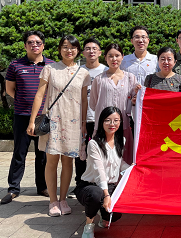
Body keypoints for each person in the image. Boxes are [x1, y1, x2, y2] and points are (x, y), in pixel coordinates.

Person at [27, 35, 91, 217]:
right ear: (59, 49)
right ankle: (52, 201)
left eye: (72, 47)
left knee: (68, 161)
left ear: (78, 50)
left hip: (73, 122)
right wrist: (32, 121)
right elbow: (39, 95)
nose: (69, 50)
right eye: (65, 46)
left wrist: (83, 124)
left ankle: (63, 200)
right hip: (53, 121)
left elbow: (84, 101)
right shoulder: (49, 69)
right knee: (51, 161)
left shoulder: (83, 73)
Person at [1, 31, 54, 205]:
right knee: (19, 153)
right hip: (22, 116)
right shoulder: (15, 65)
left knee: (43, 154)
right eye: (30, 42)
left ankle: (43, 187)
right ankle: (13, 188)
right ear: (25, 46)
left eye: (38, 42)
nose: (34, 45)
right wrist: (24, 102)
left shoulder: (51, 66)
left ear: (43, 45)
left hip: (44, 117)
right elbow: (10, 90)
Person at [76, 106, 131, 238]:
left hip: (111, 186)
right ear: (101, 122)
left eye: (116, 120)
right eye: (108, 120)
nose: (112, 124)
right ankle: (89, 225)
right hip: (90, 186)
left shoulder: (121, 140)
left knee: (116, 213)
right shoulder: (93, 144)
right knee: (96, 195)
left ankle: (103, 213)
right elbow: (99, 171)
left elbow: (119, 163)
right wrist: (106, 195)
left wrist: (133, 169)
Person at [68, 38, 108, 199]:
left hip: (101, 120)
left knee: (102, 153)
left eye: (94, 49)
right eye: (88, 49)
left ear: (100, 53)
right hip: (82, 119)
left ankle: (101, 184)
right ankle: (80, 185)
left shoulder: (106, 70)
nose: (91, 51)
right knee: (81, 154)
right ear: (82, 52)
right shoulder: (77, 71)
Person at [89, 43, 138, 164]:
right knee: (103, 161)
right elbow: (93, 104)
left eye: (117, 55)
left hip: (123, 125)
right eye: (110, 56)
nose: (114, 59)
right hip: (104, 127)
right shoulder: (99, 79)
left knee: (124, 161)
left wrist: (134, 100)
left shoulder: (130, 78)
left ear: (122, 57)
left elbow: (135, 103)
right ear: (105, 57)